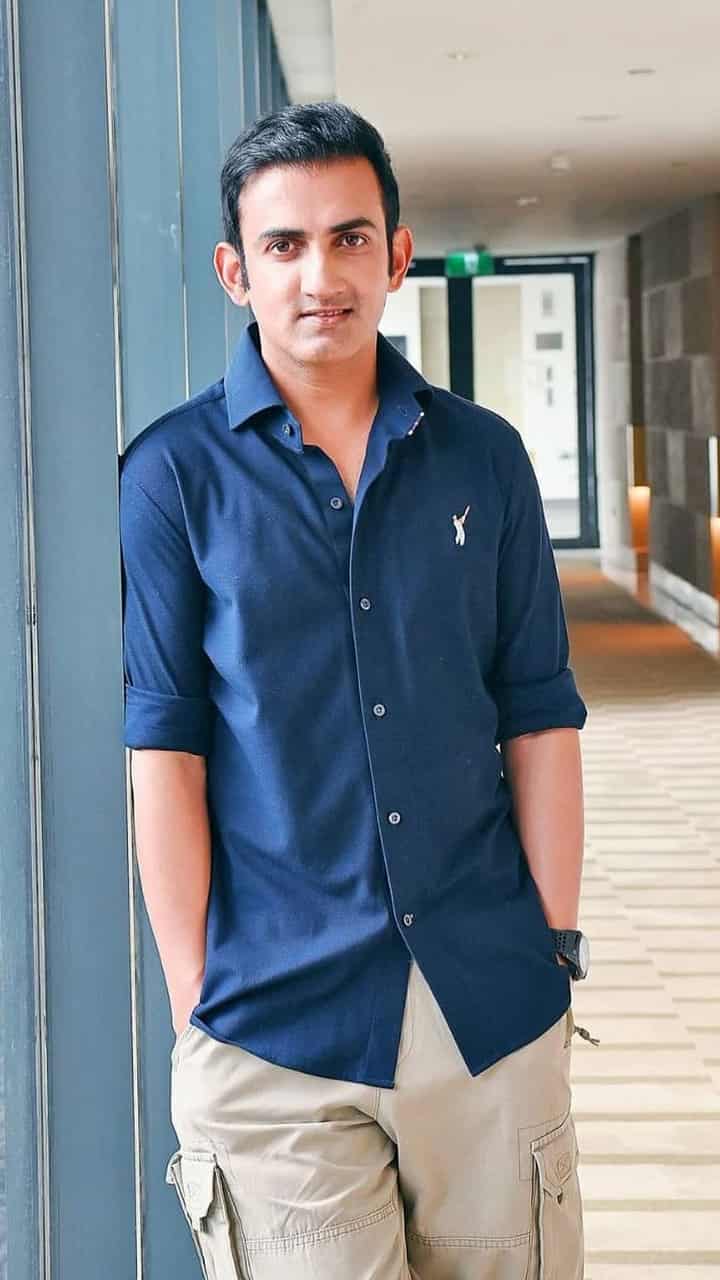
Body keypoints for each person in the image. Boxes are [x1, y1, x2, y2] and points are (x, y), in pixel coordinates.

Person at [119, 100, 592, 1280]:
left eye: (348, 238)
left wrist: (552, 944)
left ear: (397, 254)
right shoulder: (173, 474)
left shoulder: (485, 457)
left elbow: (539, 710)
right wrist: (195, 998)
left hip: (485, 1005)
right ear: (236, 271)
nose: (319, 275)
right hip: (272, 1023)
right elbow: (165, 746)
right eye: (284, 244)